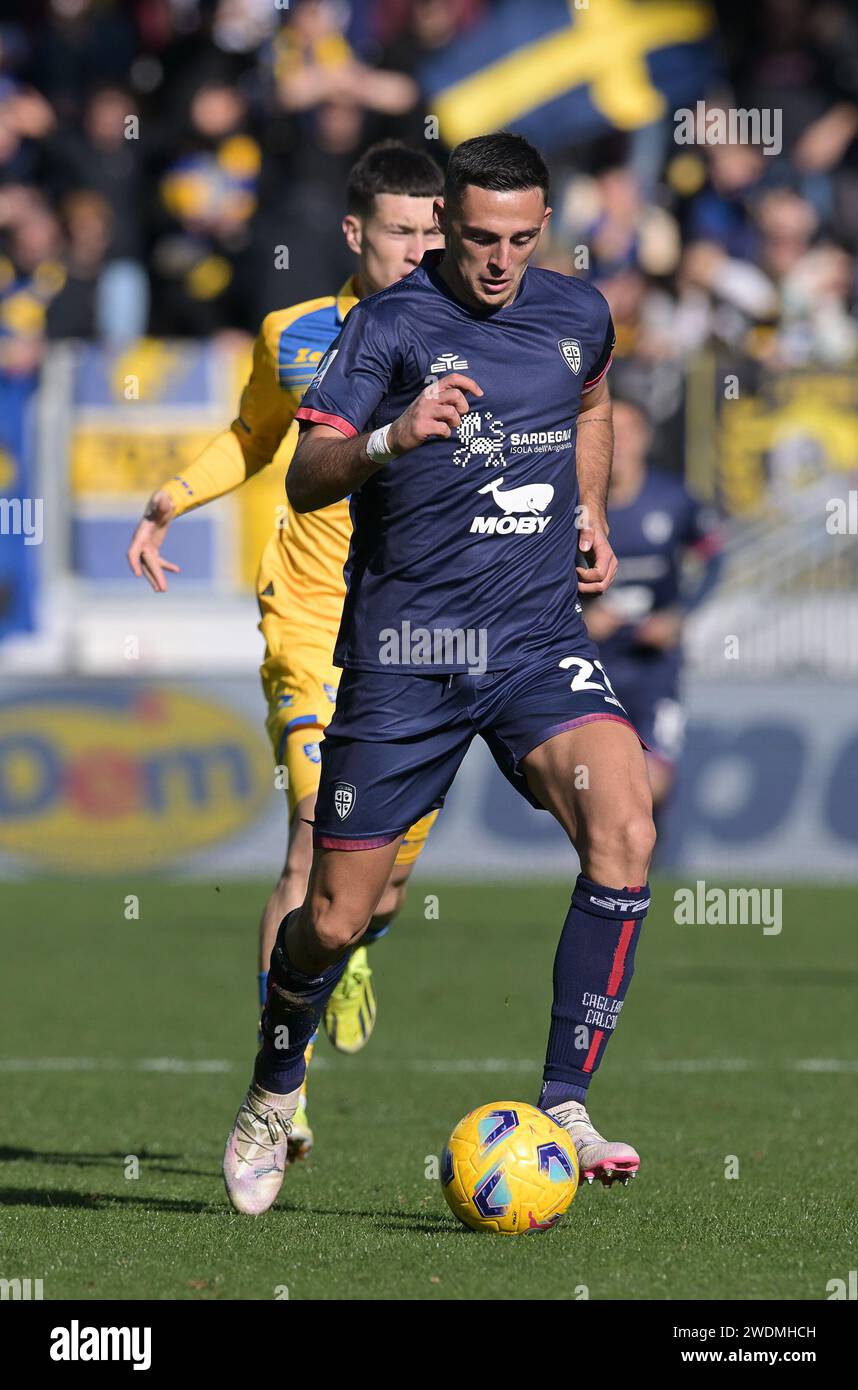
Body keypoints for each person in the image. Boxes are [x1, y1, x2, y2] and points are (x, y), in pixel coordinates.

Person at [223, 131, 657, 1216]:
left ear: (541, 228)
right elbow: (308, 480)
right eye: (476, 238)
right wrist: (390, 437)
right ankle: (276, 1085)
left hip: (529, 640)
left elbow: (591, 402)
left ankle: (564, 1099)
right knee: (331, 916)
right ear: (443, 225)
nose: (499, 259)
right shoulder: (387, 326)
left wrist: (590, 504)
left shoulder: (575, 313)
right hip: (405, 661)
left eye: (519, 238)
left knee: (627, 817)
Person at [127, 140, 445, 1159]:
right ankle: (283, 1082)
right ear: (356, 234)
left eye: (433, 230)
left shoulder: (476, 334)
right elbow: (255, 436)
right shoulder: (296, 333)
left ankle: (347, 948)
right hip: (310, 616)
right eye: (401, 231)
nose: (419, 249)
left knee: (378, 883)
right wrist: (172, 498)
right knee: (311, 841)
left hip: (424, 631)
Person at [583, 397, 724, 814]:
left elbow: (715, 557)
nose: (620, 442)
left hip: (654, 664)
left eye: (628, 432)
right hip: (590, 662)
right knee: (598, 785)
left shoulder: (675, 499)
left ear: (646, 438)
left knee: (652, 783)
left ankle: (637, 867)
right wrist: (581, 617)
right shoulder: (572, 504)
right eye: (611, 431)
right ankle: (612, 871)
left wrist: (678, 615)